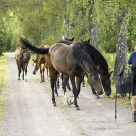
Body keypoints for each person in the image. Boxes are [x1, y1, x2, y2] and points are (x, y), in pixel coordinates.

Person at [127, 52, 136, 122]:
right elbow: (128, 64)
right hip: (134, 79)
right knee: (134, 97)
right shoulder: (132, 55)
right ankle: (135, 113)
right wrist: (126, 67)